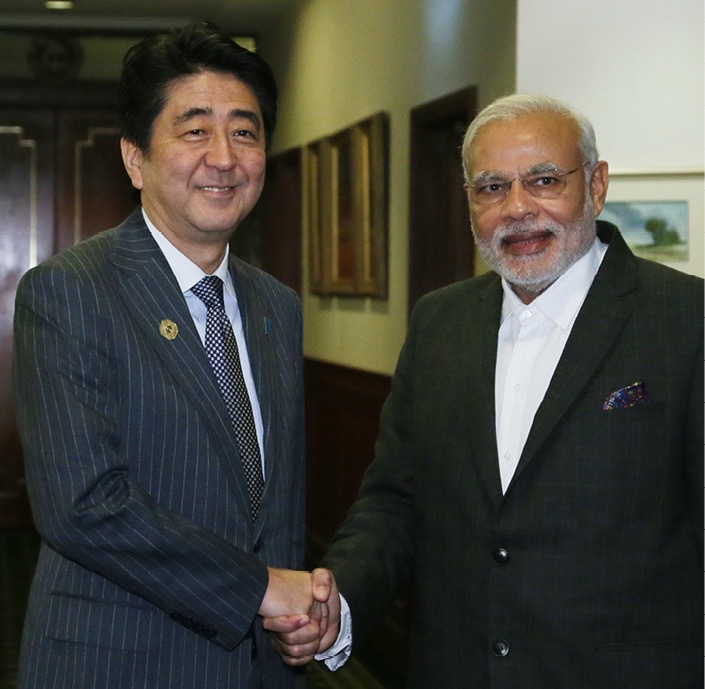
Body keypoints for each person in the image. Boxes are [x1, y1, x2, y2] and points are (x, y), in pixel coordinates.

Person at [268, 94, 704, 688]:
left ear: (596, 186)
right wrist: (338, 605)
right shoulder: (438, 322)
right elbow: (395, 503)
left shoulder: (687, 320)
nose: (517, 209)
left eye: (544, 181)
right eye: (492, 188)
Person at [13, 21, 331, 689]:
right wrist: (260, 587)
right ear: (135, 160)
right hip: (119, 663)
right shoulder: (70, 290)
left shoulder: (277, 305)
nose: (224, 157)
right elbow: (82, 506)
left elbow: (273, 510)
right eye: (194, 131)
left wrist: (300, 617)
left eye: (244, 132)